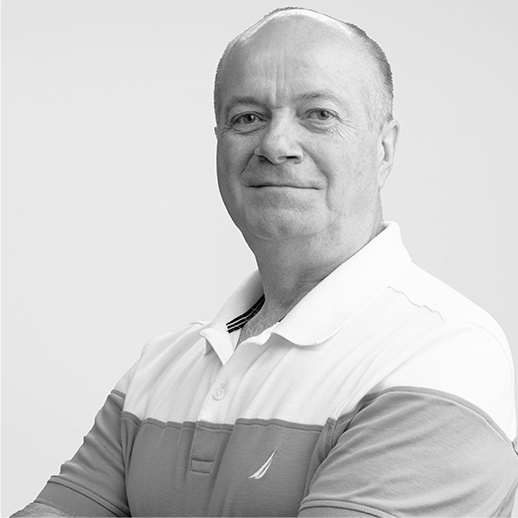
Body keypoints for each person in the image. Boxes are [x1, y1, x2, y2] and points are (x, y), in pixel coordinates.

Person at [12, 7, 518, 518]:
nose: (275, 145)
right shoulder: (159, 369)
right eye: (248, 118)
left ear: (384, 150)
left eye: (319, 114)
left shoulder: (443, 354)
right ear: (218, 143)